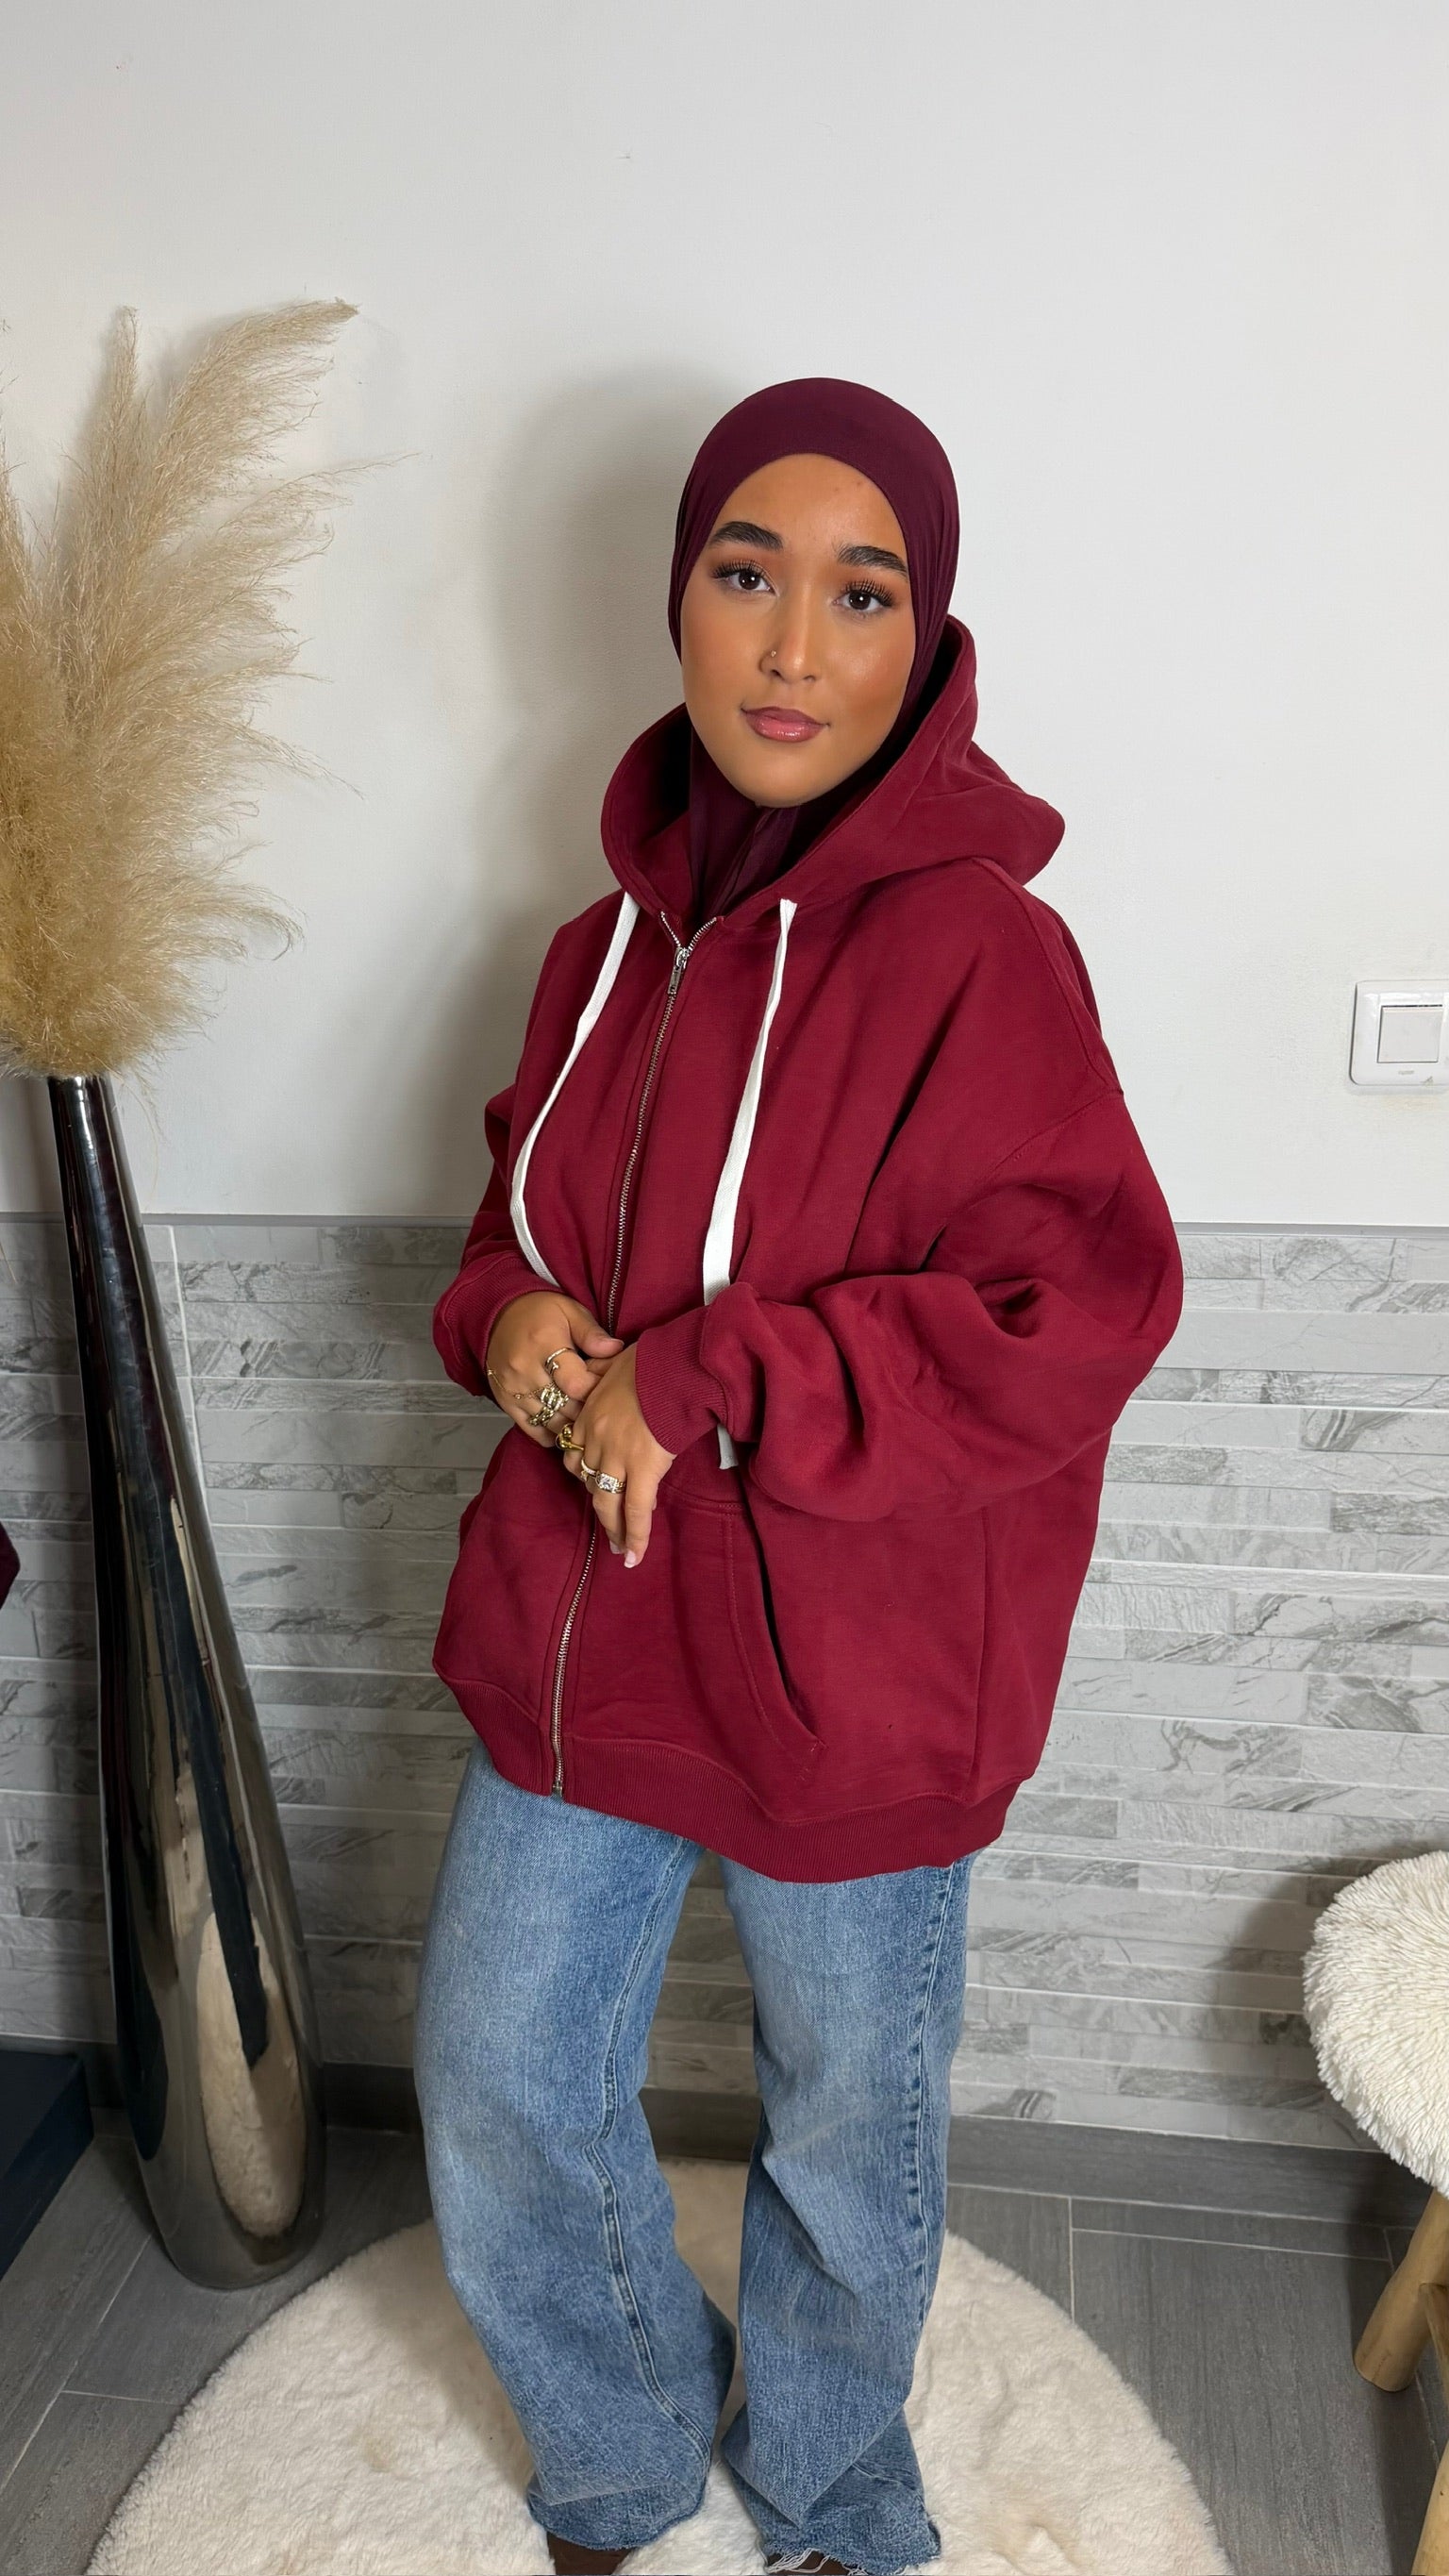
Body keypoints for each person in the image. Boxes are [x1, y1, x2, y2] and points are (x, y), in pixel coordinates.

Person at [413, 378, 1184, 2576]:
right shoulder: (595, 956)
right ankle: (621, 2448)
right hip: (589, 1632)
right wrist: (505, 1321)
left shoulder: (983, 952)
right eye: (748, 573)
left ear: (926, 647)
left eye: (863, 595)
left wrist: (719, 1368)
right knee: (498, 2067)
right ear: (680, 596)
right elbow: (506, 1235)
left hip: (860, 1667)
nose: (790, 644)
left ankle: (834, 2482)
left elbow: (1077, 1309)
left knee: (850, 2126)